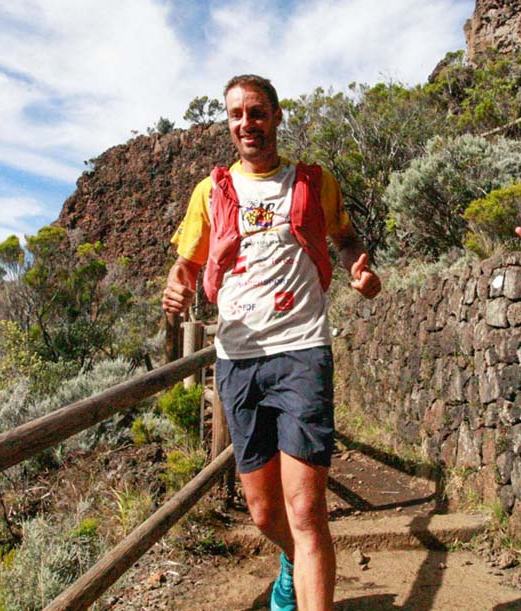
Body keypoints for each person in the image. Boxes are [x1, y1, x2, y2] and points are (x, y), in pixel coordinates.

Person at [162, 74, 381, 611]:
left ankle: (307, 578)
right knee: (264, 513)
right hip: (237, 360)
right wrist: (177, 282)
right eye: (236, 115)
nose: (247, 124)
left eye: (256, 112)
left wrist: (359, 264)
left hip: (302, 351)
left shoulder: (313, 181)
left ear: (277, 117)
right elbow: (187, 262)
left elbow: (346, 235)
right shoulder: (212, 191)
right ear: (229, 124)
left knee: (306, 511)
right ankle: (291, 559)